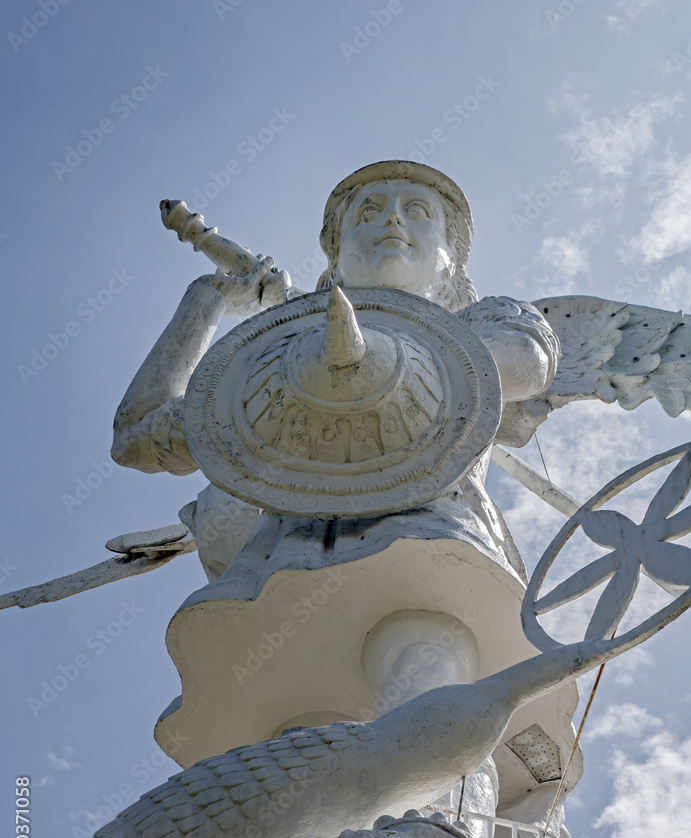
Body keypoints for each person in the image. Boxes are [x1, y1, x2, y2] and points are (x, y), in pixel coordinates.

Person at [112, 160, 558, 580]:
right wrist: (208, 299)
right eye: (368, 212)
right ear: (336, 256)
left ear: (451, 259)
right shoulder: (278, 356)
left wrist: (354, 354)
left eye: (417, 210)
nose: (393, 221)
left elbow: (526, 363)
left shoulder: (483, 322)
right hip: (274, 569)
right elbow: (135, 440)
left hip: (435, 540)